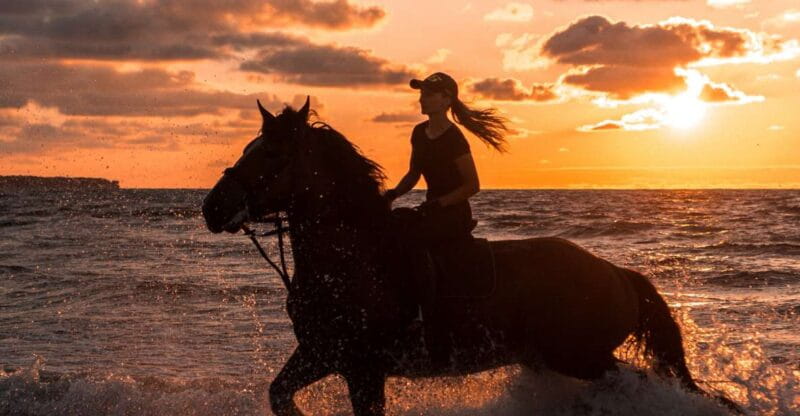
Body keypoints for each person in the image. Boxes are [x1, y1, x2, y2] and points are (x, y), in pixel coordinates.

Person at [383, 72, 509, 366]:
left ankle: (421, 315)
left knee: (412, 241)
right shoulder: (419, 132)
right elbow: (414, 174)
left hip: (452, 212)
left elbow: (472, 185)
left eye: (429, 93)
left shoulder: (454, 138)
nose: (422, 98)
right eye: (422, 93)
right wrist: (392, 195)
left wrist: (440, 202)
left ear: (446, 100)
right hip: (431, 209)